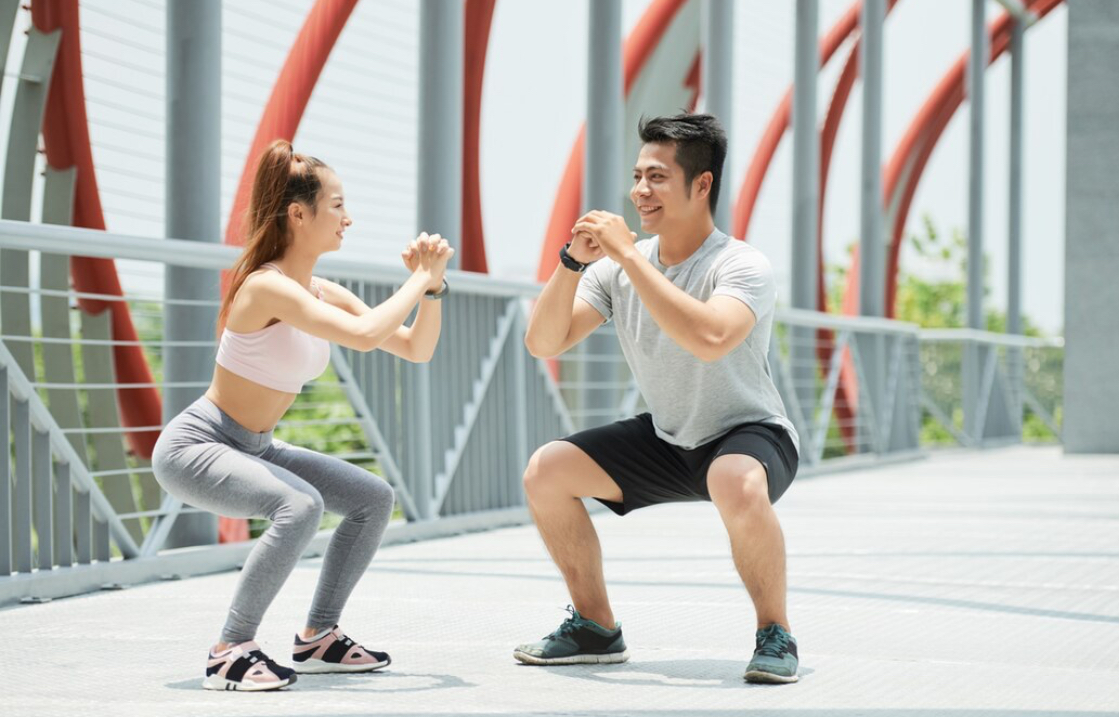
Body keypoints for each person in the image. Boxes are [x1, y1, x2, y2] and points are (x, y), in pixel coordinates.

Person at [152, 140, 453, 692]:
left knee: (372, 498)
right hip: (199, 446)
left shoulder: (320, 290)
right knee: (300, 504)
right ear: (298, 213)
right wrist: (417, 278)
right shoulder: (267, 286)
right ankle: (230, 649)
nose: (348, 217)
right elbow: (364, 338)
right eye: (337, 205)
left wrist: (431, 290)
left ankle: (318, 637)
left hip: (256, 445)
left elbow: (414, 348)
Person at [515, 114, 801, 684]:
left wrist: (628, 258)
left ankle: (776, 632)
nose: (640, 191)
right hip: (669, 437)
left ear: (702, 185)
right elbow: (543, 341)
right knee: (545, 471)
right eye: (637, 176)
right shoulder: (620, 270)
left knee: (735, 479)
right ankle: (596, 628)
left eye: (658, 177)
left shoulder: (741, 264)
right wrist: (574, 262)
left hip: (750, 432)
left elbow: (711, 338)